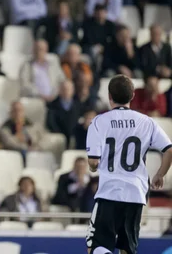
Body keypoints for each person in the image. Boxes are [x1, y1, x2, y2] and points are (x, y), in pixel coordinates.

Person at [86, 74, 172, 254]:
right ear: (133, 95)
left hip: (109, 192)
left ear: (109, 96)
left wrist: (94, 167)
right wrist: (159, 174)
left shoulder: (99, 122)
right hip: (135, 193)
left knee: (95, 247)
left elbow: (94, 161)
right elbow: (169, 150)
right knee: (127, 249)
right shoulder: (146, 122)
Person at [46, 80, 83, 147]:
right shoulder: (52, 106)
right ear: (59, 90)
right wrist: (60, 134)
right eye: (64, 89)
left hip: (75, 136)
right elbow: (50, 122)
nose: (66, 91)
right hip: (59, 137)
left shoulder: (79, 105)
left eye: (68, 89)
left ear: (73, 90)